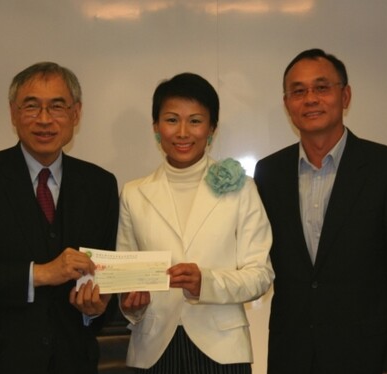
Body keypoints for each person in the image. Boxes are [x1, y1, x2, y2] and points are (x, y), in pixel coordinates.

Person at [0, 62, 119, 374]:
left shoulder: (100, 185)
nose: (44, 119)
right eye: (32, 106)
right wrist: (41, 273)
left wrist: (96, 308)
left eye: (57, 106)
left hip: (72, 362)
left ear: (76, 113)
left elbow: (103, 273)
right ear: (13, 113)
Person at [254, 48, 387, 374]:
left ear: (345, 96)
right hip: (291, 356)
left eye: (322, 88)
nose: (310, 99)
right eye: (298, 91)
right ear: (287, 104)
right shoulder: (269, 173)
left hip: (368, 357)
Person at [116, 72, 274, 373]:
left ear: (212, 129)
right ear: (156, 128)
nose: (183, 132)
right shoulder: (134, 193)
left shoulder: (242, 188)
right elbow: (127, 278)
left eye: (196, 121)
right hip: (153, 349)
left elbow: (260, 274)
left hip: (222, 349)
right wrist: (131, 307)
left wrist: (207, 283)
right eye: (172, 119)